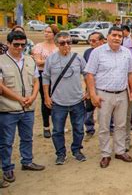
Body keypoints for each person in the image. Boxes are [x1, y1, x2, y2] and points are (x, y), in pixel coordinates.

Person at [85, 26, 132, 168]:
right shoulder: (97, 52)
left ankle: (120, 151)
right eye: (114, 35)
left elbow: (131, 73)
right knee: (104, 126)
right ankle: (105, 154)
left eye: (119, 36)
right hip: (103, 95)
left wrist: (131, 91)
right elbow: (89, 74)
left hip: (122, 94)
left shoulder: (126, 52)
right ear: (107, 36)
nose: (116, 38)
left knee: (121, 124)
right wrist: (93, 94)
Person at [0, 31, 45, 185]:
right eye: (16, 45)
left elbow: (36, 80)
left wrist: (32, 97)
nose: (19, 48)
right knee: (6, 141)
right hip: (8, 109)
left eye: (22, 45)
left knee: (27, 137)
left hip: (28, 108)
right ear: (8, 44)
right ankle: (7, 167)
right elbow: (1, 86)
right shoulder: (1, 61)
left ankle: (27, 161)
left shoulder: (29, 60)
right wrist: (19, 98)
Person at [42, 32, 88, 165]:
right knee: (57, 130)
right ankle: (60, 154)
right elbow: (45, 77)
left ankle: (77, 150)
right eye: (62, 43)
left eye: (69, 42)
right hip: (58, 102)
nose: (66, 45)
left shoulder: (78, 58)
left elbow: (87, 74)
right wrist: (46, 96)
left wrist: (88, 91)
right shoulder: (51, 59)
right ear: (57, 44)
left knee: (79, 128)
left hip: (77, 101)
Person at [31, 24, 59, 138]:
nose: (46, 33)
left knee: (57, 99)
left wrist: (45, 60)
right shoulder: (39, 46)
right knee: (45, 99)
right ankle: (46, 126)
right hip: (43, 74)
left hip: (57, 75)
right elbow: (38, 62)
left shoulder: (58, 46)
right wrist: (53, 60)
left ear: (54, 34)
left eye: (49, 32)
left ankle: (57, 124)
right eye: (45, 31)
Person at [83, 32, 106, 140]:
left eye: (94, 40)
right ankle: (89, 129)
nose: (91, 43)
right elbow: (86, 73)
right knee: (89, 109)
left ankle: (110, 128)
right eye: (90, 40)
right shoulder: (87, 52)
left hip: (105, 86)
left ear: (102, 41)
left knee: (106, 108)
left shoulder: (107, 52)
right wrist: (88, 89)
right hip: (91, 84)